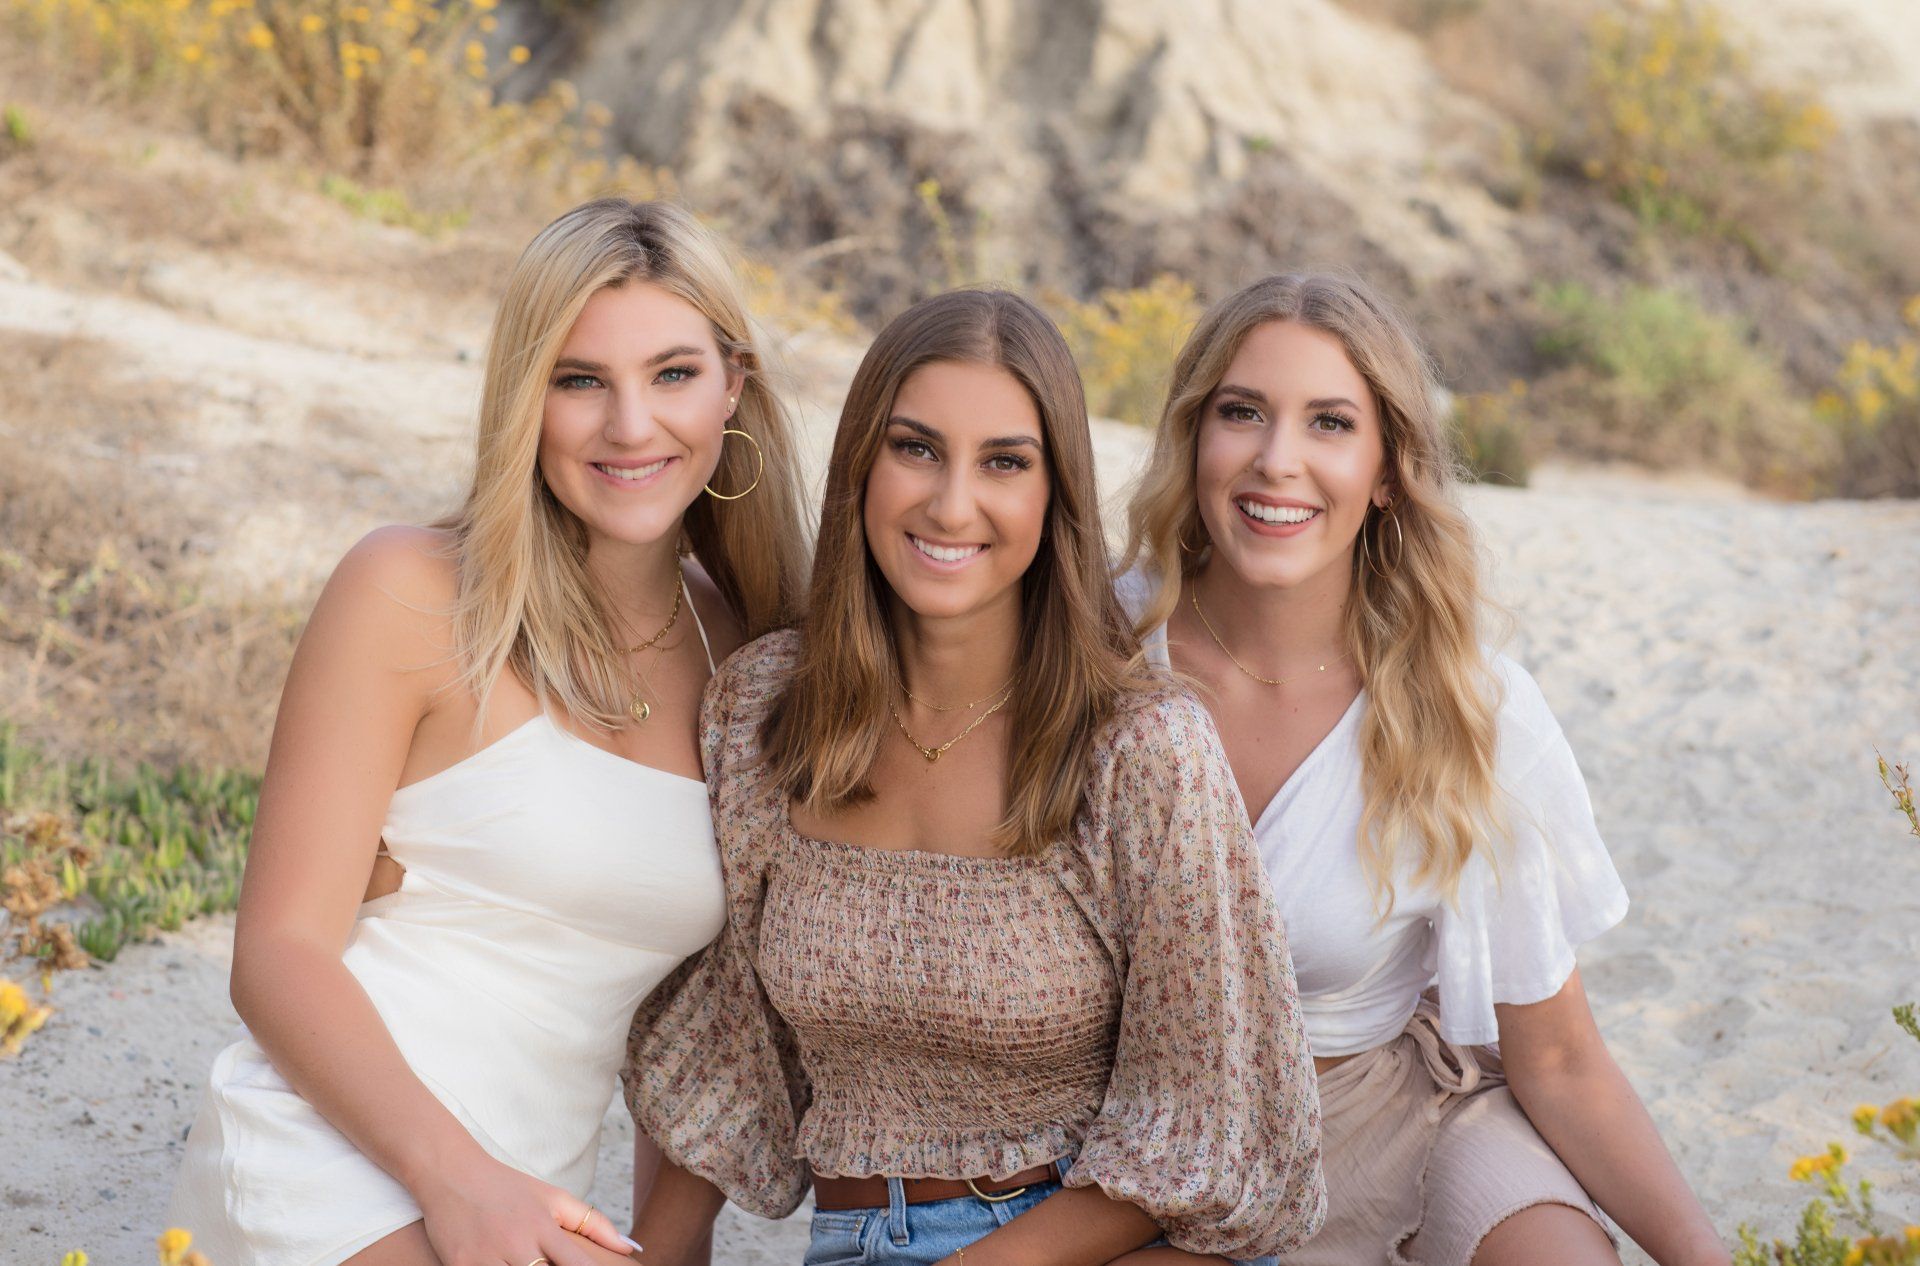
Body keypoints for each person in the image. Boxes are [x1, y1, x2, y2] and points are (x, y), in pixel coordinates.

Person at [621, 288, 1325, 1266]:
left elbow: (1218, 1115)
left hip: (1087, 1249)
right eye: (915, 449)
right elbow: (728, 1048)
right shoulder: (763, 710)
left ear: (1055, 494)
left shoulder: (1140, 747)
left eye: (1004, 462)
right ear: (861, 465)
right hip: (852, 1238)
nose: (952, 504)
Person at [168, 198, 809, 1266]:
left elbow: (705, 1028)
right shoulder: (414, 593)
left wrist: (662, 1248)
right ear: (525, 397)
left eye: (674, 374)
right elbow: (278, 954)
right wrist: (459, 1183)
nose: (632, 426)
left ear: (734, 386)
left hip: (534, 1207)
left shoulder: (751, 653)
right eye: (579, 380)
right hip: (331, 1158)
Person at [1117, 272, 1728, 1266]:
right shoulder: (1095, 653)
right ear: (1194, 438)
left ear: (1388, 469)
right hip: (1156, 1150)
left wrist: (1706, 1260)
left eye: (1329, 424)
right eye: (1243, 414)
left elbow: (1562, 1058)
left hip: (1395, 1122)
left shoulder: (1469, 704)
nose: (1278, 462)